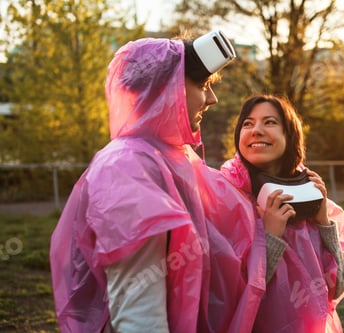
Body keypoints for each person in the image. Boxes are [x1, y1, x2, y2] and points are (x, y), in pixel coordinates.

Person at [49, 31, 267, 332]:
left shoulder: (170, 159)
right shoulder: (127, 169)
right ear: (166, 87)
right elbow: (139, 314)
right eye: (202, 85)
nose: (212, 99)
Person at [220, 94, 344, 332]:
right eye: (247, 124)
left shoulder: (312, 198)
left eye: (269, 122)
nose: (256, 130)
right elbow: (227, 297)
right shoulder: (223, 199)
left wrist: (323, 222)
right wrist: (270, 237)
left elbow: (338, 287)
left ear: (290, 135)